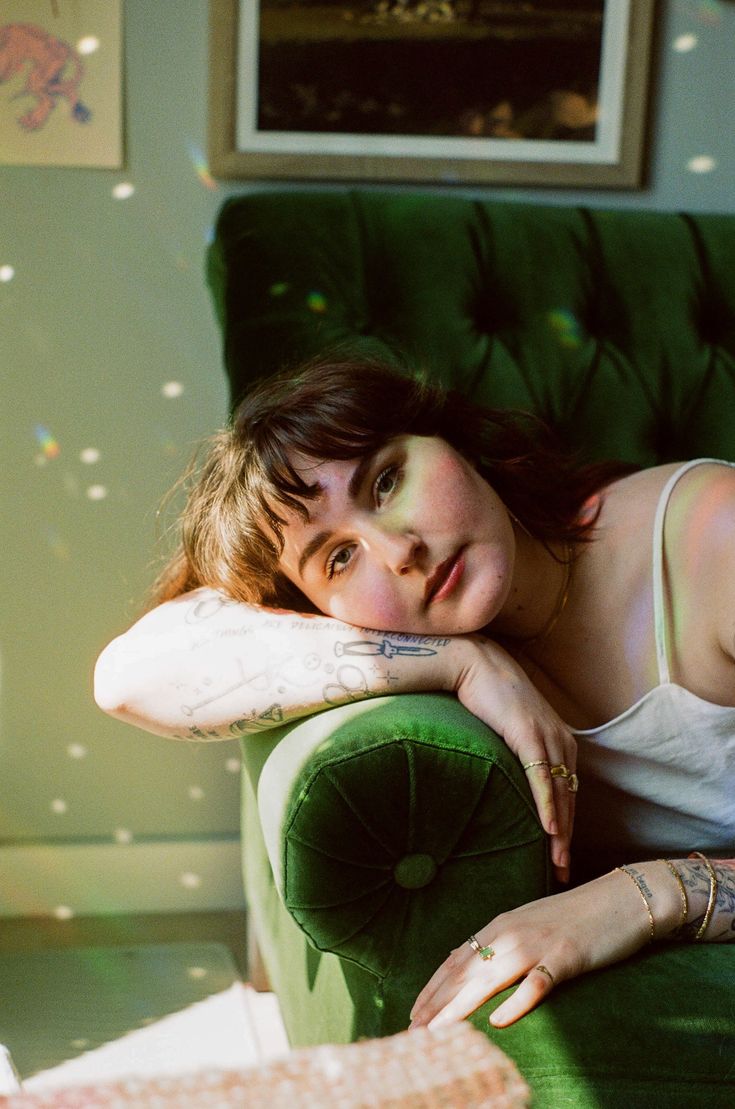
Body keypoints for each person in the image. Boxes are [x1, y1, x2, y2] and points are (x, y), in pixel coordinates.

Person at [94, 358, 734, 1029]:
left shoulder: (708, 542)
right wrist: (457, 661)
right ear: (316, 611)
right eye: (338, 557)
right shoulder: (460, 652)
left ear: (450, 438)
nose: (398, 549)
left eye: (387, 480)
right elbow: (125, 677)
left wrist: (645, 895)